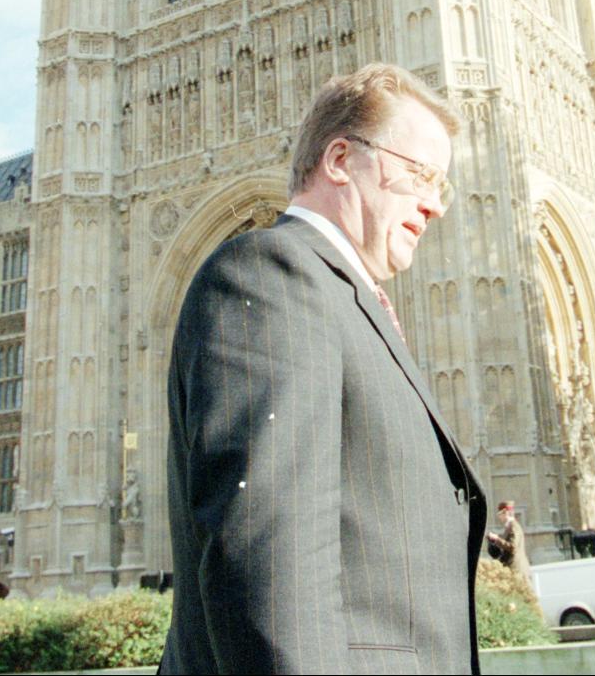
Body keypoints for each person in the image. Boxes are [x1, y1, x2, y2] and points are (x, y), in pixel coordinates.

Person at [161, 63, 486, 675]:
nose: (435, 205)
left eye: (441, 185)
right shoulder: (269, 276)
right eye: (420, 174)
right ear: (339, 160)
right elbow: (271, 570)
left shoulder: (340, 301)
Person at [487, 501, 531, 584]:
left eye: (500, 514)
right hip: (513, 571)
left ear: (506, 513)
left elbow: (512, 547)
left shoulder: (513, 526)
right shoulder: (509, 527)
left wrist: (497, 539)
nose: (499, 517)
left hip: (517, 570)